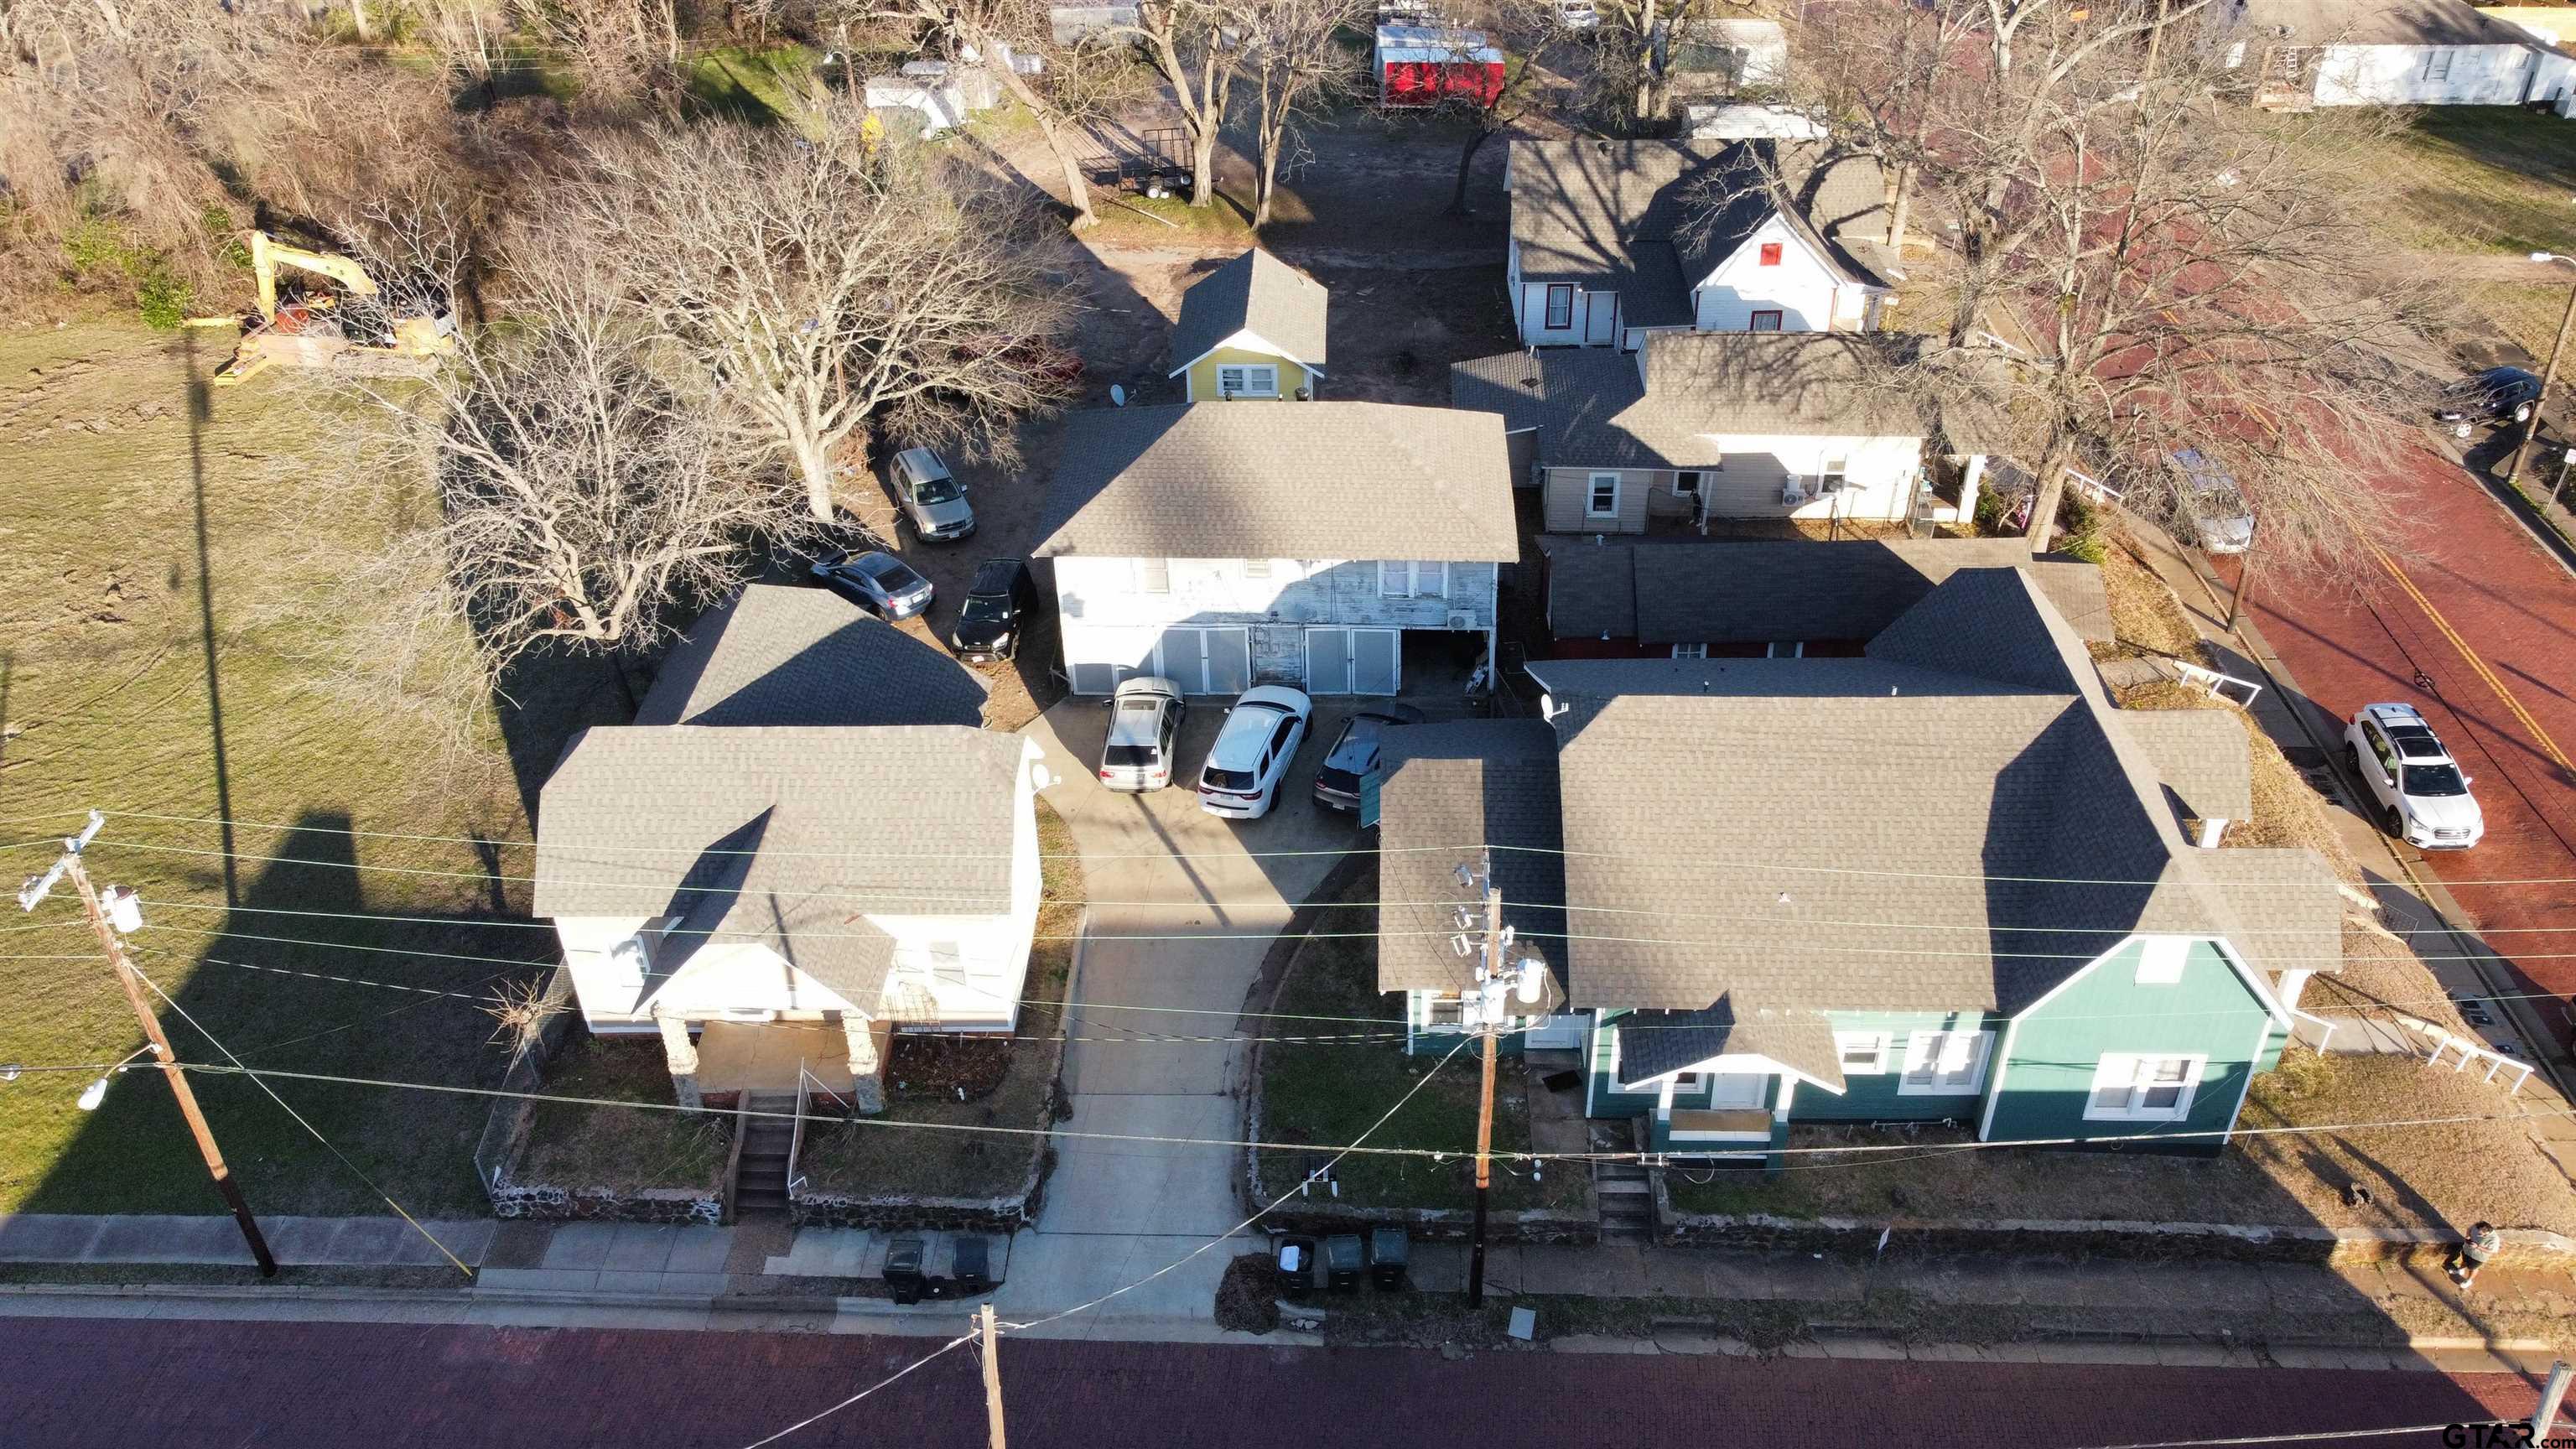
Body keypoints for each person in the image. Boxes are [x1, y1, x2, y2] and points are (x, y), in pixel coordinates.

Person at [2451, 1221, 2502, 1290]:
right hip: (2467, 1250)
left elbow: (2492, 1251)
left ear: (2487, 1232)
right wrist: (2468, 1236)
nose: (2478, 1235)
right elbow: (2469, 1229)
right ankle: (2460, 1270)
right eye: (2477, 1232)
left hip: (2478, 1257)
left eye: (2480, 1234)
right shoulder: (2477, 1226)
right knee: (2464, 1261)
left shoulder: (2494, 1240)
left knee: (2473, 1268)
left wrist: (2477, 1247)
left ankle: (2469, 1281)